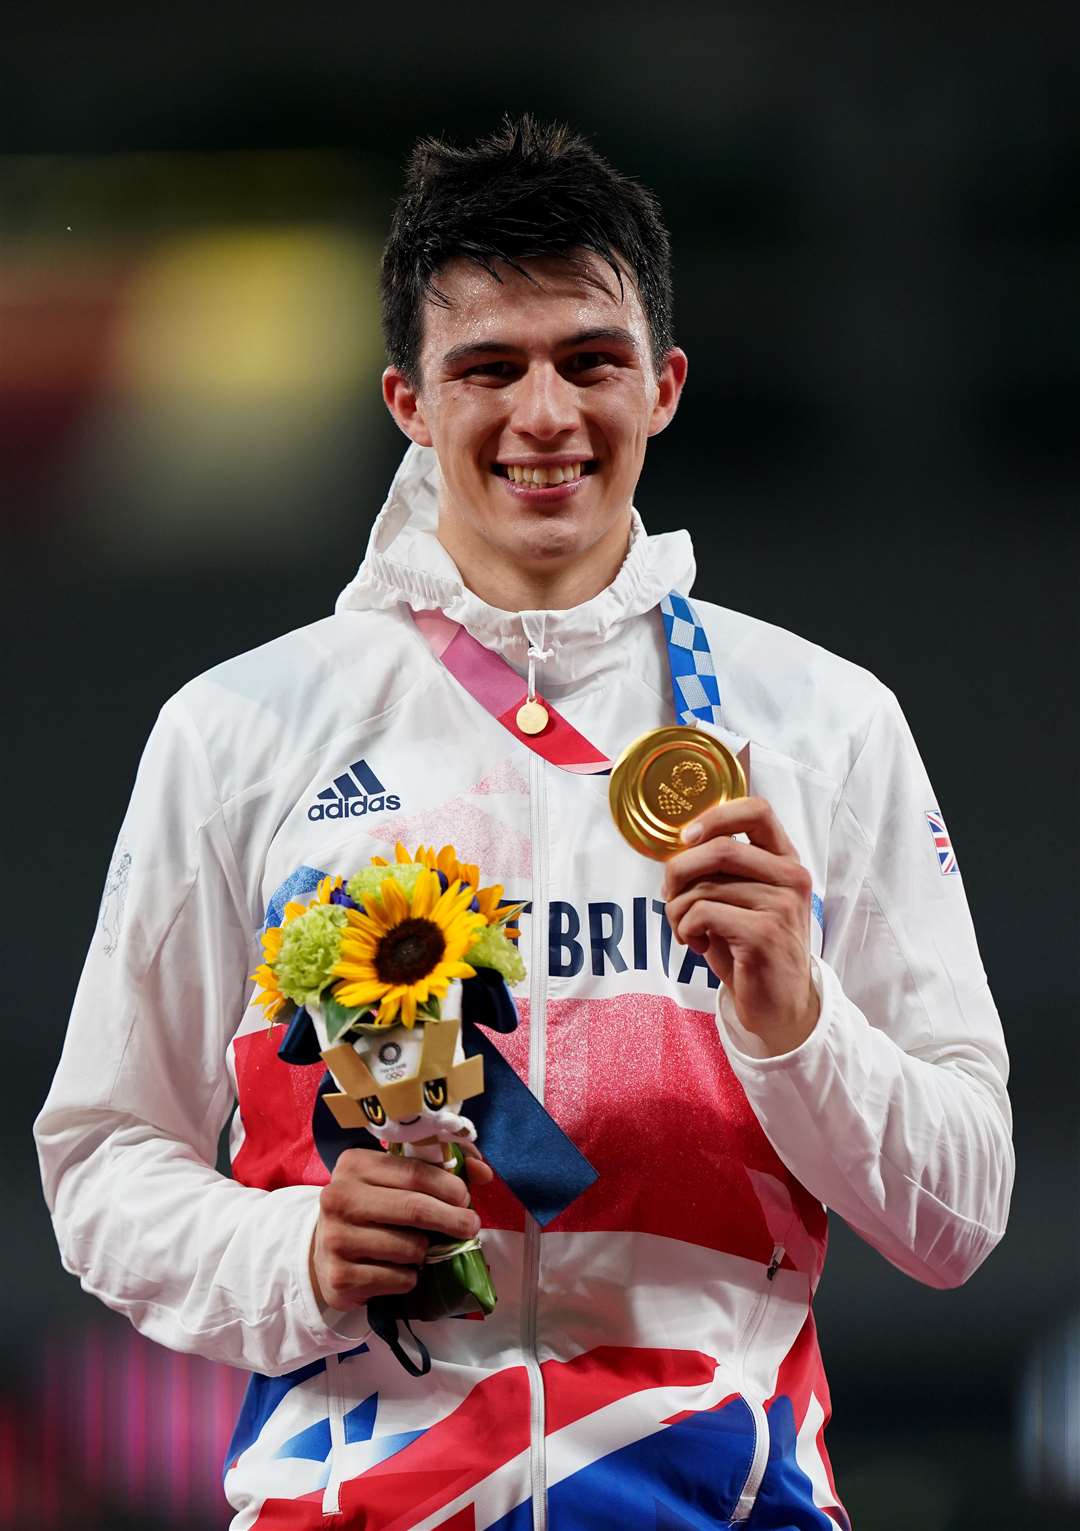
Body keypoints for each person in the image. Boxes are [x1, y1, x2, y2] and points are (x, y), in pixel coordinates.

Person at [35, 117, 1012, 1530]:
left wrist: (802, 1022)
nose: (544, 415)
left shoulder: (820, 724)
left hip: (727, 1505)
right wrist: (291, 1249)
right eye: (489, 368)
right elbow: (104, 1162)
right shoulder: (242, 733)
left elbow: (959, 1218)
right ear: (407, 405)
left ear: (664, 386)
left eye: (590, 363)